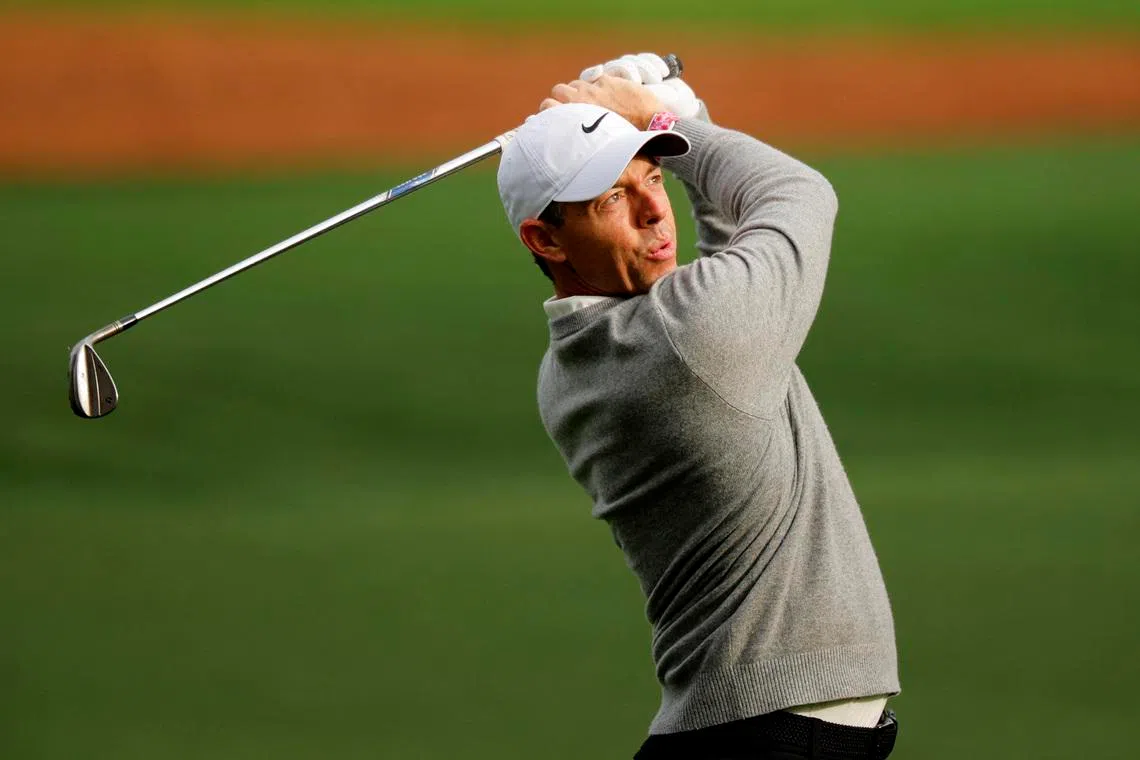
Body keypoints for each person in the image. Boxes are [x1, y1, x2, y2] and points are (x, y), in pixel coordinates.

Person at [496, 53, 900, 759]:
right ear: (544, 239)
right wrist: (668, 118)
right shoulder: (687, 337)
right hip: (771, 734)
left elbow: (722, 258)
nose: (656, 210)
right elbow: (796, 194)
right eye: (613, 199)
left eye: (654, 176)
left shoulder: (575, 361)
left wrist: (665, 123)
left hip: (753, 728)